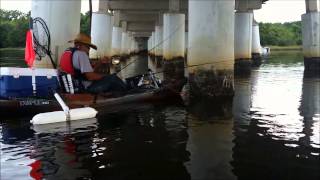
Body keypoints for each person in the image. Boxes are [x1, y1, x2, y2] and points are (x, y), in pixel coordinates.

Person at [59, 33, 127, 94]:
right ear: (80, 45)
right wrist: (106, 76)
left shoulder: (67, 52)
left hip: (70, 87)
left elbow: (86, 70)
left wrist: (99, 62)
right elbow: (91, 77)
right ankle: (126, 92)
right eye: (88, 47)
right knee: (113, 78)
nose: (88, 50)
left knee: (108, 78)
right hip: (84, 88)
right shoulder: (81, 54)